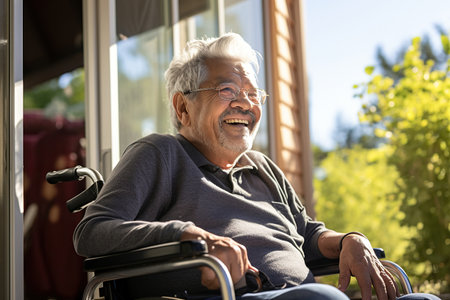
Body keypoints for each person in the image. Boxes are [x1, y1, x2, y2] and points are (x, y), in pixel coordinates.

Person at [73, 33, 440, 300]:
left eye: (252, 94)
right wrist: (187, 236)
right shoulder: (161, 153)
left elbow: (307, 235)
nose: (245, 105)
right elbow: (91, 231)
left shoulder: (261, 166)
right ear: (183, 108)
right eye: (228, 91)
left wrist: (349, 240)